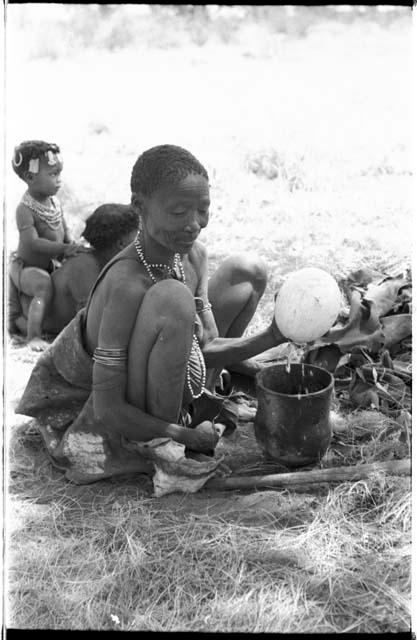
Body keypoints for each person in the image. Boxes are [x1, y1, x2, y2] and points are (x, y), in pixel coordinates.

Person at [16, 144, 289, 489]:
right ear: (140, 208)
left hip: (169, 376)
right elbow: (107, 407)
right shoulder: (125, 284)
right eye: (178, 212)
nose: (194, 225)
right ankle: (163, 445)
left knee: (248, 270)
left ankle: (199, 404)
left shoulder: (190, 257)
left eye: (202, 210)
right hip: (104, 404)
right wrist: (182, 435)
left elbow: (204, 348)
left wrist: (273, 335)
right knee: (173, 297)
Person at [9, 203, 139, 336]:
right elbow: (93, 324)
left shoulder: (112, 264)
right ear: (121, 244)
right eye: (138, 235)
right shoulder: (84, 264)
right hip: (25, 319)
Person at [9, 140, 87, 350]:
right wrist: (63, 249)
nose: (59, 181)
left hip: (52, 263)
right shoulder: (24, 209)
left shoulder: (55, 203)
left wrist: (72, 246)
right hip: (26, 268)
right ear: (30, 177)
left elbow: (65, 234)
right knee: (43, 285)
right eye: (53, 175)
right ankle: (33, 336)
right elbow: (32, 243)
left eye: (59, 174)